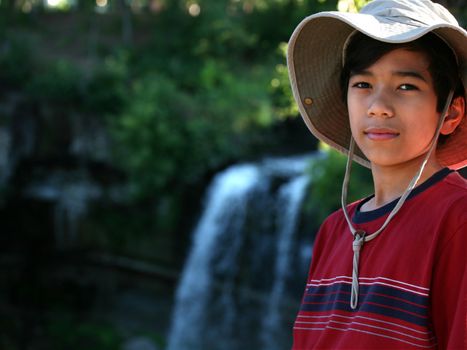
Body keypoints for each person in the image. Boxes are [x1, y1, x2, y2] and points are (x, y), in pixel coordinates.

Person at [287, 0, 467, 349]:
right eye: (363, 84)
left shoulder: (457, 221)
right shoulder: (334, 229)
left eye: (405, 87)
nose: (378, 106)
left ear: (450, 114)